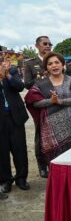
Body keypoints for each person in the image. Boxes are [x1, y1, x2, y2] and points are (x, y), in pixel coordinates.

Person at [25, 52, 71, 164]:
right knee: (55, 155)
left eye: (57, 62)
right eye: (50, 64)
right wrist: (51, 101)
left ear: (62, 64)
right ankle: (57, 179)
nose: (54, 65)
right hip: (51, 124)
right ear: (46, 68)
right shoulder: (41, 83)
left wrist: (60, 101)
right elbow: (34, 102)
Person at [24, 36, 52, 178]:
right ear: (37, 46)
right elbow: (27, 84)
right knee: (41, 135)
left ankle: (53, 162)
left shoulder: (54, 60)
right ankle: (42, 165)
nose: (48, 46)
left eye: (50, 44)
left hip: (54, 102)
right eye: (45, 44)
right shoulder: (30, 63)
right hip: (39, 104)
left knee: (55, 134)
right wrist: (42, 77)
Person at [0, 60, 29, 193]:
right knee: (2, 151)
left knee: (20, 149)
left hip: (15, 116)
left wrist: (7, 75)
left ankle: (21, 178)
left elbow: (20, 86)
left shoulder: (11, 70)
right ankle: (6, 180)